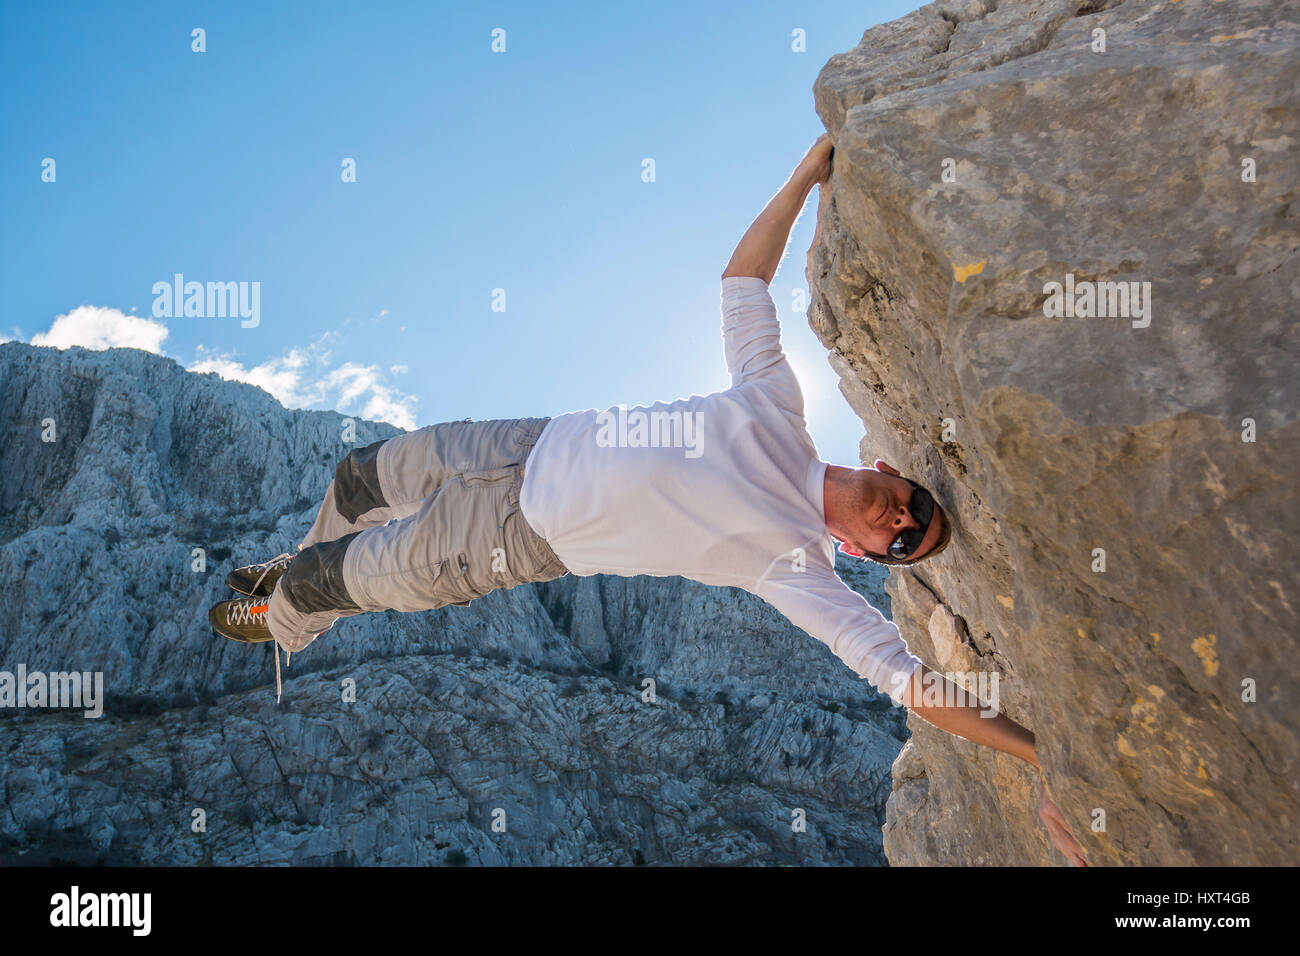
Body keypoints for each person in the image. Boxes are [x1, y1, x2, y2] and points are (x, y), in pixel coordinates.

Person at [209, 134, 1087, 865]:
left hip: (508, 540)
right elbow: (743, 285)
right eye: (914, 508)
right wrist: (802, 181)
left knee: (332, 579)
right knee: (358, 474)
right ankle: (296, 568)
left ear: (864, 556)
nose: (904, 522)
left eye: (907, 544)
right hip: (521, 440)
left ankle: (287, 618)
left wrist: (1043, 754)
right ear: (893, 472)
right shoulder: (779, 407)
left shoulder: (796, 567)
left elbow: (904, 677)